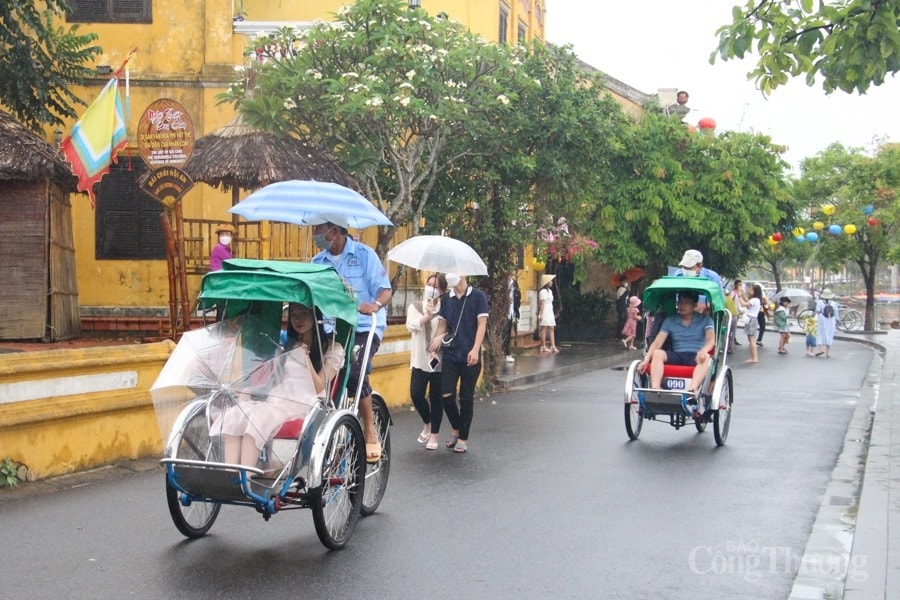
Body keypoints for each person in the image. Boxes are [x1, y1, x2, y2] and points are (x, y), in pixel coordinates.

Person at [215, 303, 344, 469]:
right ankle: (229, 473)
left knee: (257, 419)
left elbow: (318, 387)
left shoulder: (333, 348)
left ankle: (244, 479)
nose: (298, 319)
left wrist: (306, 359)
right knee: (236, 415)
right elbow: (275, 382)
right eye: (294, 314)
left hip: (308, 402)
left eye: (304, 313)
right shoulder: (287, 345)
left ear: (315, 316)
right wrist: (249, 390)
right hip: (280, 397)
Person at [311, 221, 392, 463]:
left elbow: (385, 290)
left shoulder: (364, 255)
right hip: (330, 328)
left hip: (364, 327)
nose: (315, 235)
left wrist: (374, 305)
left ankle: (369, 429)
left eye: (319, 230)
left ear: (334, 231)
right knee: (308, 369)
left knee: (354, 372)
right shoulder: (317, 263)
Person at [427, 272, 489, 454]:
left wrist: (476, 349)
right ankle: (456, 428)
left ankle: (463, 438)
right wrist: (436, 341)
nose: (450, 275)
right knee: (446, 394)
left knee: (466, 397)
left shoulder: (478, 297)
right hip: (451, 354)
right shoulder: (447, 299)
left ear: (464, 274)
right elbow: (442, 325)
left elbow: (481, 325)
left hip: (470, 355)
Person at [636, 290, 715, 395]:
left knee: (706, 357)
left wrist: (703, 351)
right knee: (657, 353)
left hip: (696, 355)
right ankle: (655, 389)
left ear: (694, 305)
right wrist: (646, 360)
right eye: (680, 303)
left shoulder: (705, 320)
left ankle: (691, 391)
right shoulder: (670, 320)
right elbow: (657, 342)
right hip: (678, 354)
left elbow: (711, 340)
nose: (682, 306)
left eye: (686, 303)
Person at [406, 273, 447, 450]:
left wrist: (441, 338)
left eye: (436, 286)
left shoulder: (446, 308)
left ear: (442, 291)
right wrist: (427, 315)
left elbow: (451, 329)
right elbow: (412, 326)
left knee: (436, 398)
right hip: (420, 360)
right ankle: (428, 422)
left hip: (439, 361)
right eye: (429, 284)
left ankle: (434, 435)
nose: (431, 288)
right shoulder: (415, 306)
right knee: (416, 394)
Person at [210, 224, 235, 321]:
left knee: (223, 309)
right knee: (223, 309)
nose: (225, 236)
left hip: (223, 281)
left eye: (227, 234)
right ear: (219, 236)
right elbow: (230, 262)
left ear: (231, 236)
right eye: (223, 234)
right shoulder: (219, 248)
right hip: (220, 281)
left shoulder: (227, 249)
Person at [737, 283, 762, 364]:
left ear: (755, 291)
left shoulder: (755, 300)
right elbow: (747, 301)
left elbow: (743, 304)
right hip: (752, 319)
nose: (749, 291)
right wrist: (743, 294)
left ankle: (754, 358)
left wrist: (740, 296)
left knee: (751, 340)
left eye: (751, 290)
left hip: (751, 319)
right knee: (751, 339)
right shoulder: (756, 300)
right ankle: (753, 357)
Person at [502, 274, 521, 363]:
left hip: (511, 311)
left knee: (507, 333)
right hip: (502, 312)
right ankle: (505, 352)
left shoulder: (514, 284)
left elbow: (517, 297)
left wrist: (517, 312)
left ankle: (506, 352)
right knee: (503, 333)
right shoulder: (501, 284)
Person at [538, 273, 559, 353]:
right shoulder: (543, 292)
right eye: (550, 281)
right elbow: (542, 303)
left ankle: (553, 345)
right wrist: (541, 314)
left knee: (551, 327)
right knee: (544, 328)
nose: (552, 282)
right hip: (545, 310)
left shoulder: (550, 291)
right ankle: (543, 345)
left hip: (550, 309)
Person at [815, 288, 839, 357]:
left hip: (822, 319)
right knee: (830, 334)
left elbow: (817, 310)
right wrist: (837, 319)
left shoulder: (820, 302)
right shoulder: (834, 303)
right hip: (831, 320)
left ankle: (820, 349)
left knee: (820, 333)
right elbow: (836, 312)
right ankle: (828, 351)